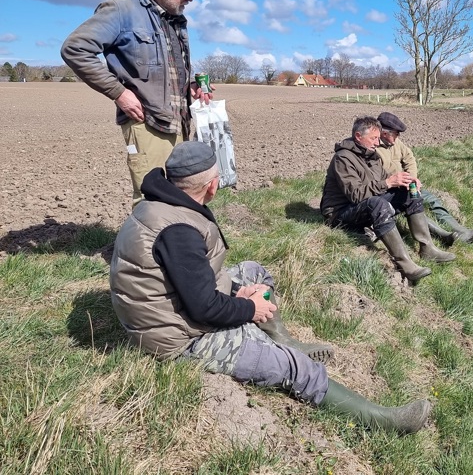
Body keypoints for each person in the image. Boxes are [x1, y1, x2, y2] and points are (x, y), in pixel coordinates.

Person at [109, 141, 431, 434]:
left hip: (169, 310)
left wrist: (236, 291)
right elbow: (204, 308)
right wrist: (250, 308)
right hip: (178, 340)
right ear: (212, 185)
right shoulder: (179, 230)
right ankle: (383, 420)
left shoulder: (160, 203)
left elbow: (189, 279)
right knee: (295, 369)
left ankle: (283, 339)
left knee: (253, 272)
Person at [61, 0, 213, 204]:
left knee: (180, 197)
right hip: (148, 122)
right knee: (152, 200)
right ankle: (146, 244)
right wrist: (118, 92)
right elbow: (75, 49)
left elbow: (165, 70)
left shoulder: (173, 19)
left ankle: (177, 244)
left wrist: (191, 87)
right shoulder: (121, 10)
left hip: (180, 124)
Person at [320, 116, 455, 284]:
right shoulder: (343, 158)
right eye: (373, 138)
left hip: (364, 203)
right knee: (378, 204)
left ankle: (427, 248)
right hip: (339, 212)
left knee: (408, 193)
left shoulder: (371, 155)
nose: (377, 142)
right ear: (358, 136)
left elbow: (383, 180)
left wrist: (404, 181)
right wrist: (388, 182)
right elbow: (355, 195)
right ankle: (404, 263)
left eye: (378, 137)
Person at [375, 112, 473, 245]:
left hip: (406, 185)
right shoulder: (372, 148)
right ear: (385, 133)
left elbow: (409, 158)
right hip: (389, 191)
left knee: (432, 200)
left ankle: (461, 230)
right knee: (414, 207)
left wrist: (413, 178)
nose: (398, 136)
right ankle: (443, 236)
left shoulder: (396, 142)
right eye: (396, 133)